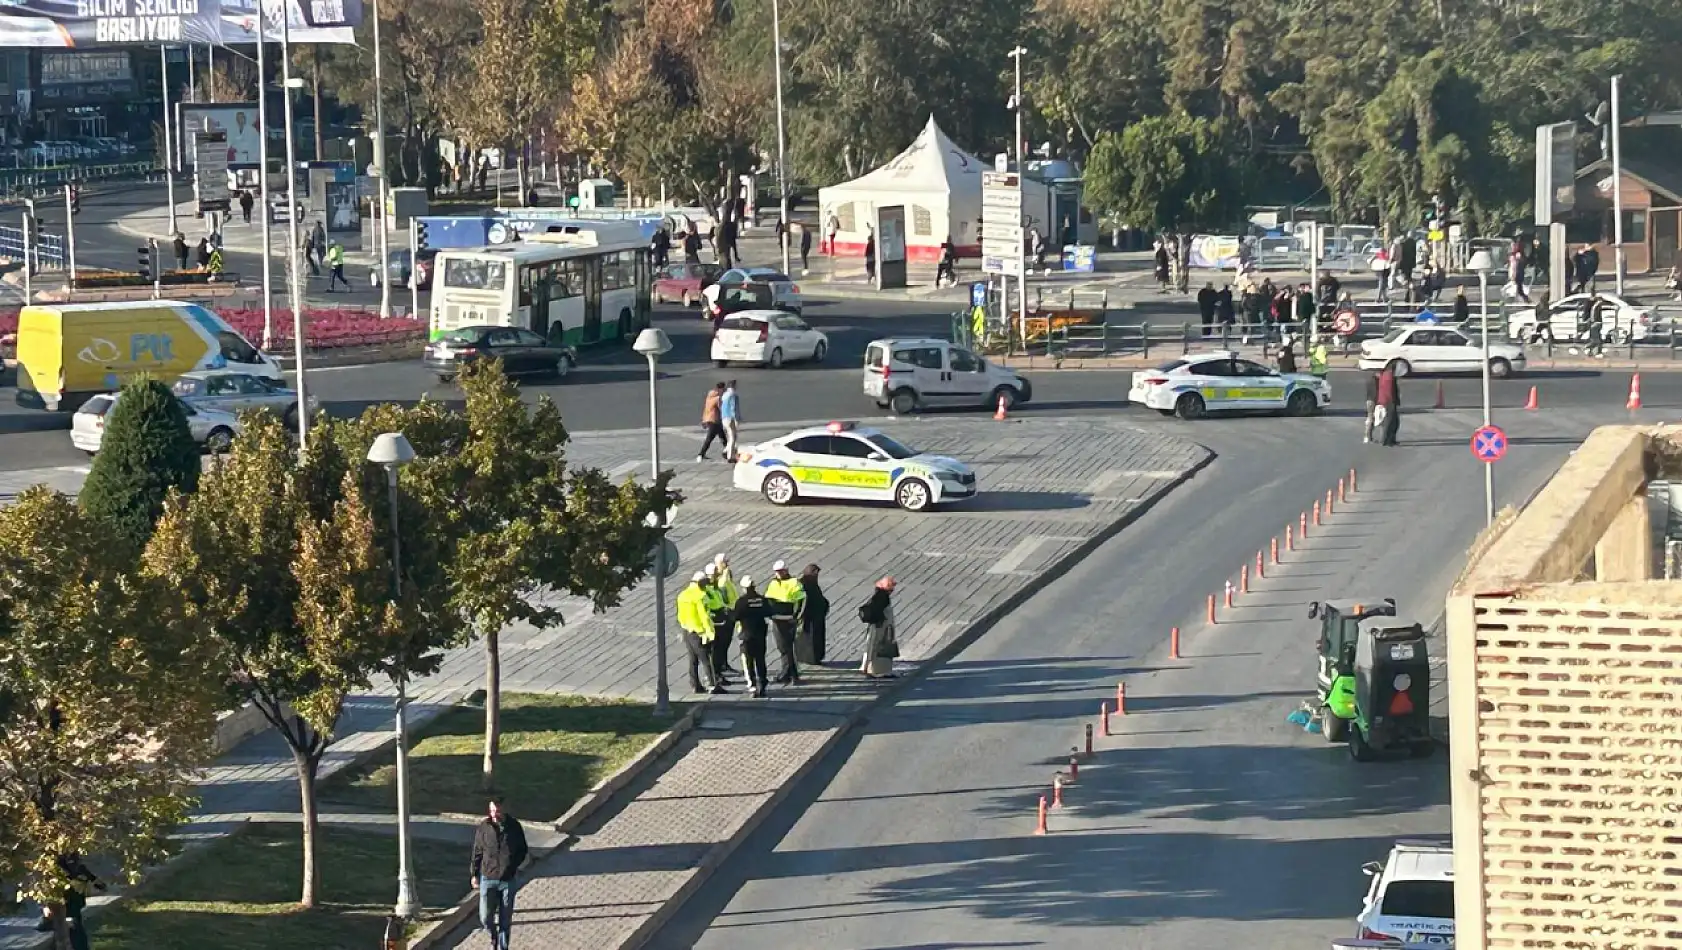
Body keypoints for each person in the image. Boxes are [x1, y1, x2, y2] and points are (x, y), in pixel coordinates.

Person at [470, 797, 528, 950]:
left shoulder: (514, 827)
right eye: (492, 810)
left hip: (507, 880)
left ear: (504, 808)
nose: (494, 813)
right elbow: (477, 852)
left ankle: (502, 947)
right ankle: (493, 937)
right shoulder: (484, 827)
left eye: (497, 809)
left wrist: (513, 866)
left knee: (505, 919)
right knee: (485, 917)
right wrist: (474, 874)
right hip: (488, 877)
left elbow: (522, 849)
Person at [677, 572, 725, 693]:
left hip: (687, 630)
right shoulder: (700, 596)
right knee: (706, 659)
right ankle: (713, 685)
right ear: (701, 583)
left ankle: (695, 685)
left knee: (692, 660)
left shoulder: (682, 595)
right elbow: (704, 616)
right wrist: (709, 633)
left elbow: (680, 615)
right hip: (699, 632)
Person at [731, 575, 774, 696]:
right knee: (760, 660)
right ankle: (762, 683)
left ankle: (753, 685)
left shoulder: (741, 602)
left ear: (744, 588)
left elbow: (734, 617)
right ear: (754, 586)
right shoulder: (762, 599)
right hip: (760, 635)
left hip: (746, 635)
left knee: (748, 661)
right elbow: (769, 612)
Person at [765, 560, 805, 685]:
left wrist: (797, 617)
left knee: (786, 648)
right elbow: (768, 599)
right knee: (783, 648)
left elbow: (802, 601)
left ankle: (789, 674)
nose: (779, 574)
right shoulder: (773, 583)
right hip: (777, 620)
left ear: (786, 570)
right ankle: (790, 674)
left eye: (781, 571)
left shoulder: (794, 583)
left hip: (789, 620)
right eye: (777, 572)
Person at [859, 576, 899, 679]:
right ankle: (878, 670)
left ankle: (867, 667)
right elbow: (879, 611)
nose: (892, 591)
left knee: (871, 646)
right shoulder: (882, 597)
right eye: (891, 588)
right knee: (878, 648)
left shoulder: (878, 595)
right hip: (881, 627)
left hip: (877, 627)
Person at [710, 554, 739, 685]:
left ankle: (725, 664)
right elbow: (725, 598)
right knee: (722, 643)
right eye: (725, 563)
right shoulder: (721, 581)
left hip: (732, 611)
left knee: (727, 642)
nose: (727, 565)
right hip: (726, 613)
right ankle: (720, 667)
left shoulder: (726, 578)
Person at [798, 563, 829, 664]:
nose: (817, 576)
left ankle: (814, 657)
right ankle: (811, 658)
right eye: (815, 573)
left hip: (816, 616)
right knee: (811, 640)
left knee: (815, 639)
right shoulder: (804, 584)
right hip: (810, 617)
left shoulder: (810, 582)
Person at [697, 382, 727, 462]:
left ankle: (729, 452)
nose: (724, 390)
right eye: (724, 389)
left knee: (722, 437)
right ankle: (700, 454)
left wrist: (704, 420)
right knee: (710, 438)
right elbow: (721, 408)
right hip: (715, 421)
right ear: (721, 389)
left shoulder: (709, 397)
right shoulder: (717, 398)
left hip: (710, 419)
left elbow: (706, 409)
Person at [1376, 360, 1402, 446]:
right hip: (1389, 401)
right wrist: (1392, 401)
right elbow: (1388, 390)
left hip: (1388, 400)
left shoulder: (1386, 374)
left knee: (1393, 421)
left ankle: (1390, 439)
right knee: (1390, 421)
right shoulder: (1389, 375)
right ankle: (1386, 440)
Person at [720, 379, 741, 462]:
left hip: (724, 417)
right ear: (734, 386)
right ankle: (730, 456)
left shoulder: (725, 395)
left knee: (731, 435)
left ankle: (726, 451)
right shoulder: (733, 395)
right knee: (732, 436)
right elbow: (733, 407)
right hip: (730, 418)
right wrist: (736, 418)